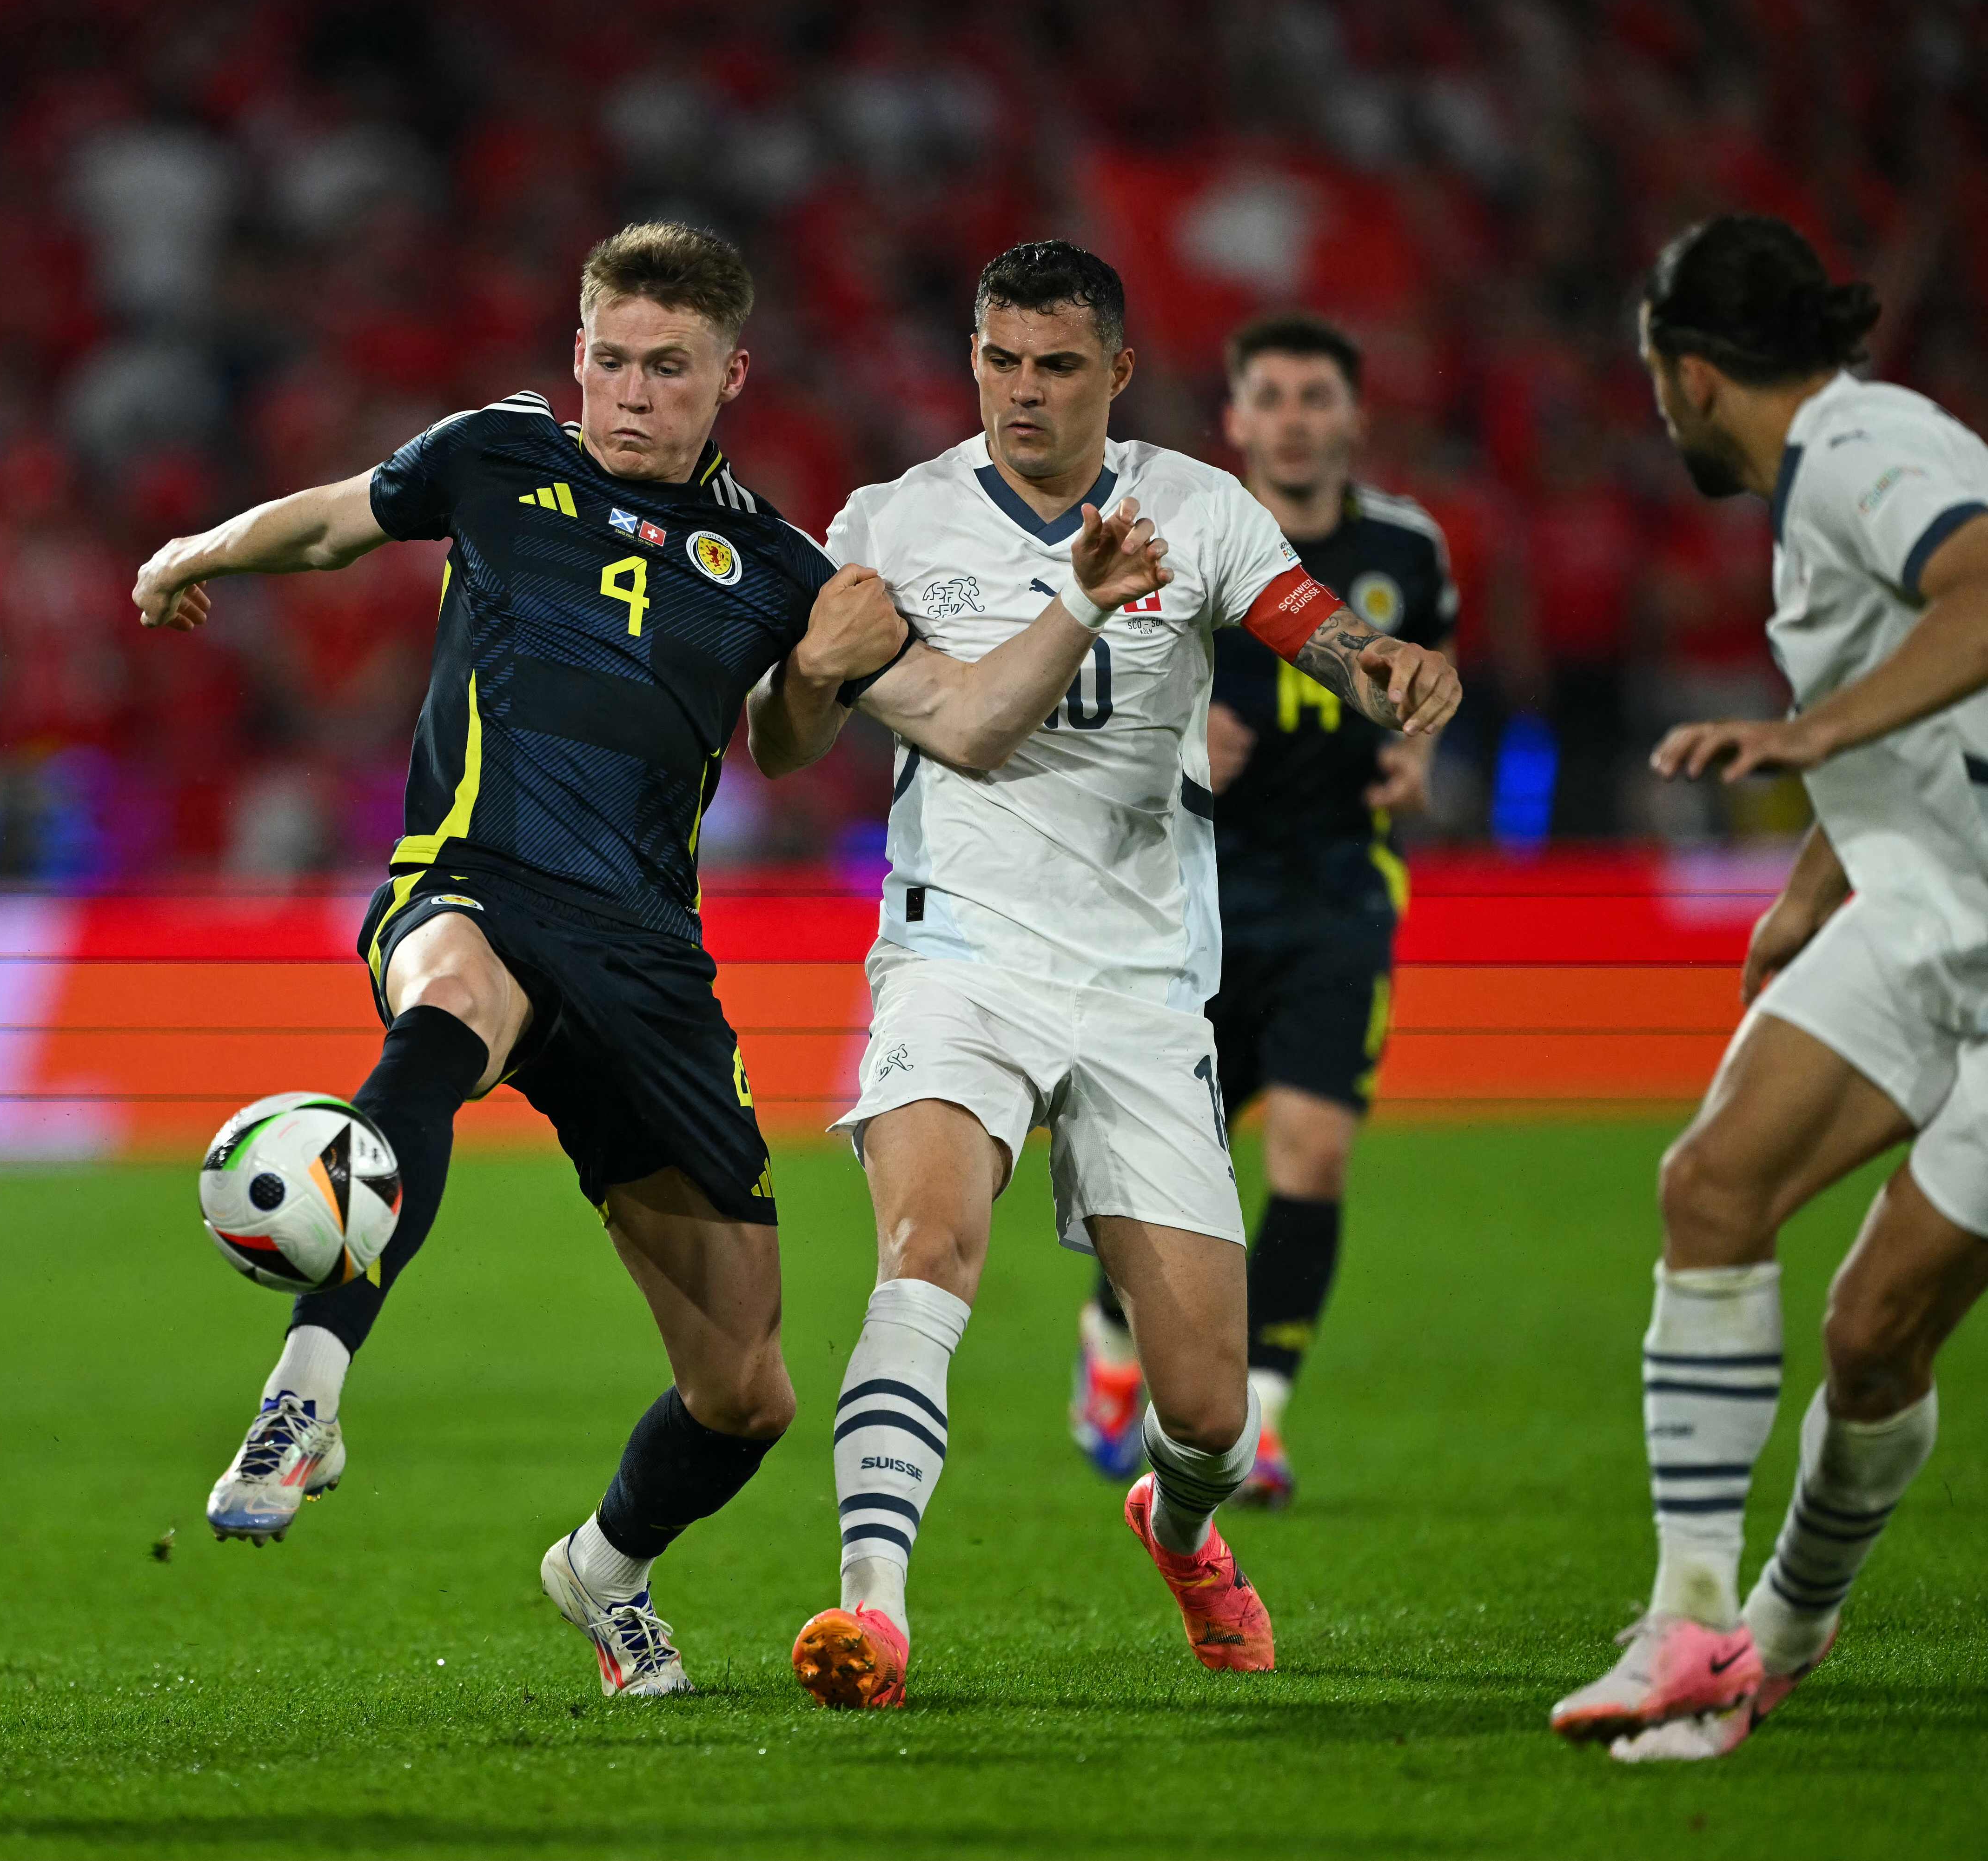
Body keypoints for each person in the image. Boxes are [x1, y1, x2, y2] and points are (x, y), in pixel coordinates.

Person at [133, 223, 1093, 1695]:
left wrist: (862, 656)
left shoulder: (778, 564)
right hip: (474, 884)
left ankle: (603, 1568)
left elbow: (926, 728)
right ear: (573, 352)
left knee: (747, 1390)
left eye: (667, 369)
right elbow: (333, 522)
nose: (631, 396)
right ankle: (305, 1394)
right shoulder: (496, 459)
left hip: (646, 960)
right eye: (609, 361)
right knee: (442, 1008)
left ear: (730, 377)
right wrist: (198, 552)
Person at [746, 241, 1459, 1709]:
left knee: (1205, 1408)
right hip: (960, 949)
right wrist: (810, 674)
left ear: (1118, 375)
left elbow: (1305, 625)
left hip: (1142, 979)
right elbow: (811, 737)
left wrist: (1381, 664)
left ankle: (1181, 1525)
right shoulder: (891, 519)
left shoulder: (1196, 505)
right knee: (926, 1249)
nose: (1023, 391)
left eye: (1058, 365)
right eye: (1000, 360)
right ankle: (869, 1610)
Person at [1553, 215, 1988, 1763]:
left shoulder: (1870, 450)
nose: (1660, 415)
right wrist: (1809, 891)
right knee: (1714, 1182)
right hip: (1929, 910)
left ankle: (1786, 1630)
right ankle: (1688, 1624)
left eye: (1657, 386)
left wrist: (1805, 738)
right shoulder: (1822, 490)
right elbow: (1909, 731)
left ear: (1691, 373)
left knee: (1877, 1331)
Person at [1070, 315, 1458, 1509]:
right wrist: (1184, 740)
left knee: (1312, 1154)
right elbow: (1108, 696)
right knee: (1177, 1166)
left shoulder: (1407, 548)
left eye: (1313, 397)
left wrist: (1417, 757)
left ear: (1350, 417)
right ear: (1235, 421)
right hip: (1191, 891)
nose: (1292, 417)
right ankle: (1110, 1344)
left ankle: (1265, 1417)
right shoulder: (1183, 536)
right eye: (1270, 398)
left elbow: (1422, 683)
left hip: (1339, 883)